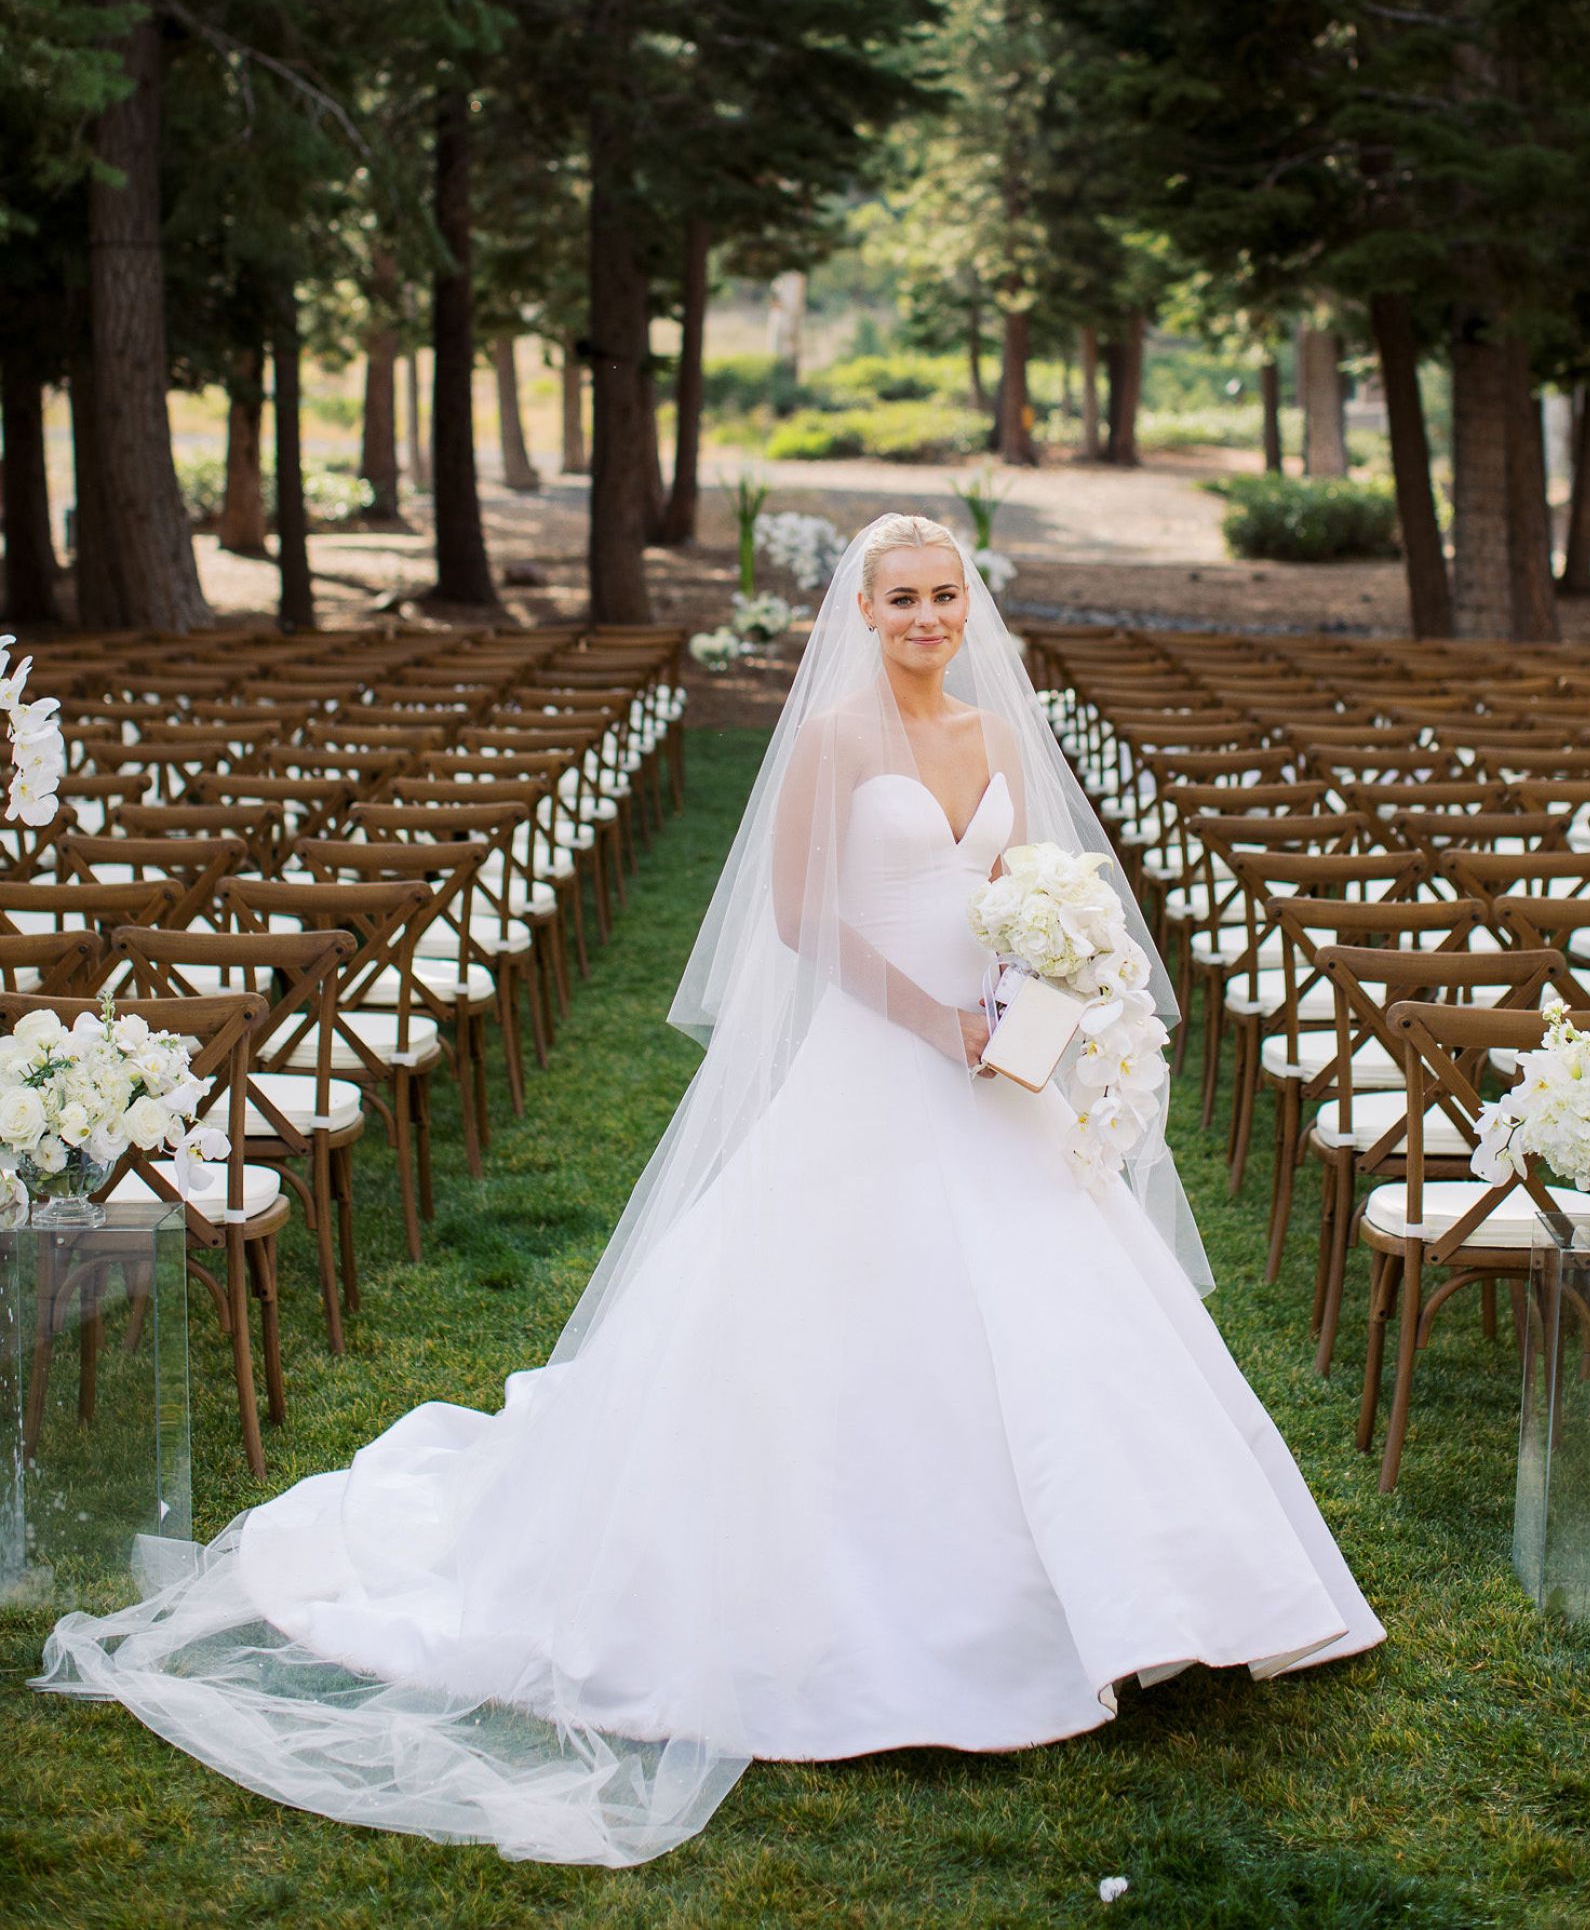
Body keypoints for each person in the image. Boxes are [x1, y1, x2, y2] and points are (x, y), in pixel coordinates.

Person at [37, 514, 1382, 1866]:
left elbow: (1021, 895)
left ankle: (1148, 1596)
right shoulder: (837, 738)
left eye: (944, 594)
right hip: (882, 1053)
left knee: (1062, 1308)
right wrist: (937, 1021)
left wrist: (1041, 1000)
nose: (926, 615)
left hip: (994, 1071)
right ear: (862, 611)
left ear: (970, 606)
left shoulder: (988, 742)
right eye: (902, 596)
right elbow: (804, 922)